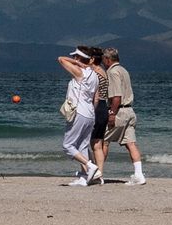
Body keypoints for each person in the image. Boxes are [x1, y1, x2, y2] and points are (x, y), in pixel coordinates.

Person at [57, 48, 102, 187]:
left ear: (79, 58)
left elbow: (60, 59)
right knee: (82, 146)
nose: (74, 60)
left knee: (68, 145)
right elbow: (96, 98)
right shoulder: (95, 74)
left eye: (76, 57)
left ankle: (90, 166)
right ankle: (84, 177)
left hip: (80, 113)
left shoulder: (80, 72)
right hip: (90, 114)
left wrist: (79, 64)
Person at [102, 47, 146, 185]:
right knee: (130, 143)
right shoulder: (124, 70)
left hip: (119, 111)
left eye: (103, 59)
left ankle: (98, 173)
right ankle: (139, 174)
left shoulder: (112, 72)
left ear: (108, 59)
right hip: (130, 111)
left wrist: (111, 113)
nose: (102, 62)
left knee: (102, 141)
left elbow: (116, 96)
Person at [86, 46, 109, 184]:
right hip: (103, 107)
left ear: (92, 59)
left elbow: (94, 94)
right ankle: (99, 173)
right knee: (98, 143)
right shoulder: (104, 72)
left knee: (88, 142)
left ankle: (91, 170)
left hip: (96, 106)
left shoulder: (94, 73)